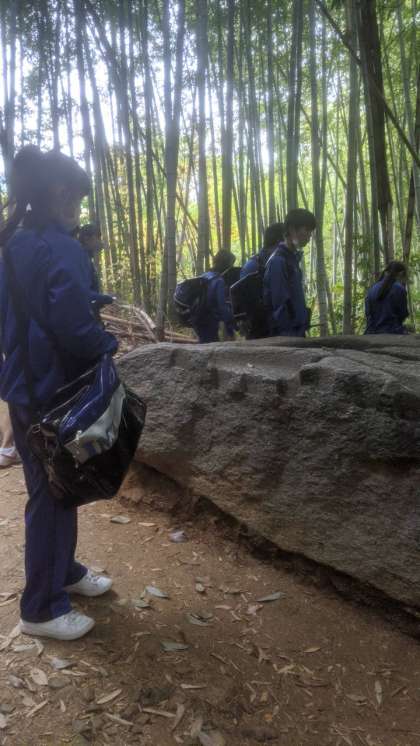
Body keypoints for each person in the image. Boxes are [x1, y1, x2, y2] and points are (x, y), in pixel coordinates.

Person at [0, 145, 118, 641]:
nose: (79, 209)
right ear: (60, 192)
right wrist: (108, 343)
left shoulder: (11, 242)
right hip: (56, 390)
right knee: (53, 493)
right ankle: (42, 608)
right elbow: (73, 327)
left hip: (23, 386)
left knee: (55, 486)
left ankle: (62, 571)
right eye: (78, 198)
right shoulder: (61, 246)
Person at [263, 208, 316, 337]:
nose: (310, 235)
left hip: (298, 332)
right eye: (307, 230)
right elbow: (280, 306)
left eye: (311, 231)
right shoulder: (278, 261)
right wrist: (289, 337)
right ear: (292, 229)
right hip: (288, 335)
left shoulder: (291, 259)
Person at [238, 222, 284, 339]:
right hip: (262, 330)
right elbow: (246, 302)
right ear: (280, 241)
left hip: (275, 328)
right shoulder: (254, 266)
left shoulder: (278, 262)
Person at [193, 250, 236, 344]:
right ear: (226, 264)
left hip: (198, 318)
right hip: (209, 321)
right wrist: (231, 324)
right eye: (231, 265)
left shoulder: (205, 276)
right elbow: (222, 306)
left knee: (204, 344)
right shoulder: (219, 281)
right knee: (211, 348)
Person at [77, 223, 113, 320]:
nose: (101, 242)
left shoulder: (85, 258)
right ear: (87, 239)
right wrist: (101, 298)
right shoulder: (80, 259)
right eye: (98, 237)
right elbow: (79, 291)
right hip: (84, 315)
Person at [365, 261, 409, 334]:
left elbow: (368, 314)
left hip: (371, 332)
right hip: (393, 332)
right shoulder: (400, 289)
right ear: (401, 273)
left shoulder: (372, 289)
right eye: (404, 277)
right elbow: (403, 314)